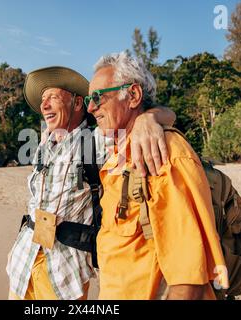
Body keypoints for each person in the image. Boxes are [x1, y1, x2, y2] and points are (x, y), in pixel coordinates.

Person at [6, 66, 176, 300]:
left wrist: (150, 117)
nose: (44, 105)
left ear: (77, 104)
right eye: (43, 99)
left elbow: (165, 114)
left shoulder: (98, 141)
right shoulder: (43, 146)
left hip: (64, 273)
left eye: (53, 98)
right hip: (22, 262)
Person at [86, 52, 229, 300]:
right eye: (89, 99)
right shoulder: (117, 152)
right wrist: (152, 115)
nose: (90, 107)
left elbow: (188, 281)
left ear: (132, 96)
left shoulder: (164, 153)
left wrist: (151, 116)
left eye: (97, 97)